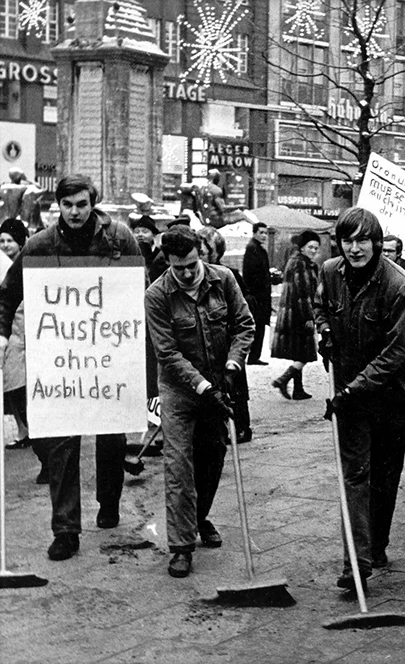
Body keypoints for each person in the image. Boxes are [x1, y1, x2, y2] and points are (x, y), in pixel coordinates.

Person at [0, 174, 142, 561]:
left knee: (112, 439)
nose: (75, 212)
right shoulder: (41, 244)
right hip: (60, 364)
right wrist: (2, 335)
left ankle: (109, 501)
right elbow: (8, 295)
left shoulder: (120, 238)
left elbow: (137, 291)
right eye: (68, 205)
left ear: (92, 203)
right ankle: (65, 530)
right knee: (62, 446)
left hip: (109, 359)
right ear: (57, 207)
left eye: (82, 204)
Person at [313, 207, 405, 591]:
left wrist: (351, 392)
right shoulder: (328, 272)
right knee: (355, 475)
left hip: (391, 393)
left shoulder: (398, 284)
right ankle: (355, 564)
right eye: (347, 240)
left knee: (385, 476)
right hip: (349, 394)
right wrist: (324, 331)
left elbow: (395, 352)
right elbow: (320, 307)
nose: (355, 248)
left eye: (363, 240)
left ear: (376, 242)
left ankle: (377, 543)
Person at [145, 225, 254, 578]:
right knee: (179, 465)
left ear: (201, 254)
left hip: (219, 381)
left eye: (193, 265)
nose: (188, 274)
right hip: (180, 390)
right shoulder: (157, 295)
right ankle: (180, 547)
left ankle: (198, 516)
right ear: (169, 263)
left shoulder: (224, 280)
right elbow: (167, 352)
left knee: (212, 457)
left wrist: (234, 362)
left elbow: (244, 324)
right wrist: (201, 385)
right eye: (180, 269)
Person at [198, 226, 254, 444]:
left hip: (228, 341)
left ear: (214, 252)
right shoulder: (193, 276)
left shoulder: (228, 276)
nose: (199, 256)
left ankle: (241, 426)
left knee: (235, 384)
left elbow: (243, 311)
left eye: (203, 252)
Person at [271, 230, 320, 400]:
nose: (314, 251)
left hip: (294, 314)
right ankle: (283, 379)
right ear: (302, 248)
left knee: (300, 352)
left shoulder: (300, 262)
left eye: (316, 248)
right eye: (310, 247)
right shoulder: (301, 264)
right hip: (299, 315)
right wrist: (309, 317)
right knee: (305, 353)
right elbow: (303, 293)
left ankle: (298, 389)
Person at [0, 219, 32, 460]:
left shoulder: (25, 265)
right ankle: (23, 429)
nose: (5, 245)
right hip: (9, 332)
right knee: (11, 383)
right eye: (1, 241)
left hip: (25, 330)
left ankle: (28, 431)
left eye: (10, 240)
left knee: (21, 383)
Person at [243, 221, 272, 365]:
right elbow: (253, 274)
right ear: (254, 233)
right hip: (257, 295)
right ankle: (253, 357)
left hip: (259, 295)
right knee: (257, 326)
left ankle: (254, 356)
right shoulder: (253, 249)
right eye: (261, 232)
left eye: (265, 233)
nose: (264, 235)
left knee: (259, 326)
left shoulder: (257, 249)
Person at [131, 215, 162, 279]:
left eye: (145, 232)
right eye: (136, 232)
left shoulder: (159, 252)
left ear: (153, 234)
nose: (140, 234)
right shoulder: (129, 250)